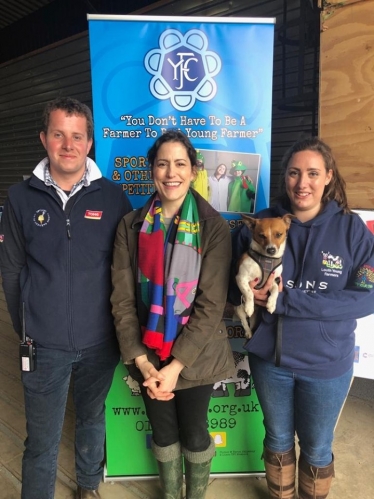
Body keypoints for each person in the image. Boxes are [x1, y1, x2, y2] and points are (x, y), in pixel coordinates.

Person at [0, 97, 132, 499]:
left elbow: (124, 271)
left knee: (91, 420)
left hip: (100, 342)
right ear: (45, 139)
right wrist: (29, 325)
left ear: (90, 143)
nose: (68, 145)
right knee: (41, 440)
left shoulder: (113, 198)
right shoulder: (20, 199)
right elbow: (11, 270)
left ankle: (87, 487)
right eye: (59, 135)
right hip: (43, 344)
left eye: (77, 137)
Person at [228, 137, 374, 499]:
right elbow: (229, 285)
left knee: (317, 447)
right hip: (270, 359)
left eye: (312, 173)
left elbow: (366, 297)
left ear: (328, 177)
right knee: (277, 439)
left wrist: (290, 301)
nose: (302, 183)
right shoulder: (261, 223)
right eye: (294, 173)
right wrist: (245, 293)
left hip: (326, 362)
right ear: (285, 177)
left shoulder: (352, 230)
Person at [111, 130, 234, 499]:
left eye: (180, 163)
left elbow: (211, 306)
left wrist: (175, 366)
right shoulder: (130, 226)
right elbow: (122, 300)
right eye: (162, 163)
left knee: (195, 432)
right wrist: (144, 363)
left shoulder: (214, 228)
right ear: (151, 170)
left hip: (197, 357)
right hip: (147, 352)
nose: (171, 172)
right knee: (163, 433)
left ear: (194, 170)